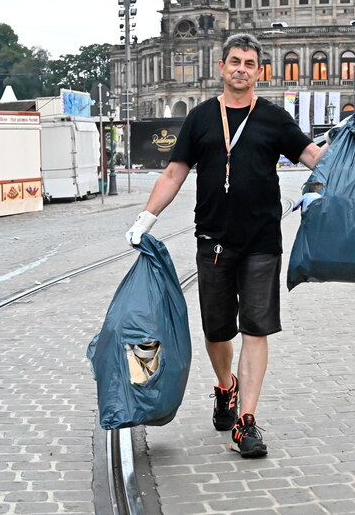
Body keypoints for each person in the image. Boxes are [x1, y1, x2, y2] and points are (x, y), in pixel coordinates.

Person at [125, 33, 326, 458]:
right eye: (235, 61)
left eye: (249, 63)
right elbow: (174, 173)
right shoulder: (200, 118)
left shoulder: (272, 118)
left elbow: (312, 156)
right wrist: (146, 218)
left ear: (258, 71)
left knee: (256, 328)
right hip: (213, 240)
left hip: (262, 242)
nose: (241, 69)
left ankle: (246, 421)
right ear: (222, 66)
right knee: (218, 330)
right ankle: (225, 386)